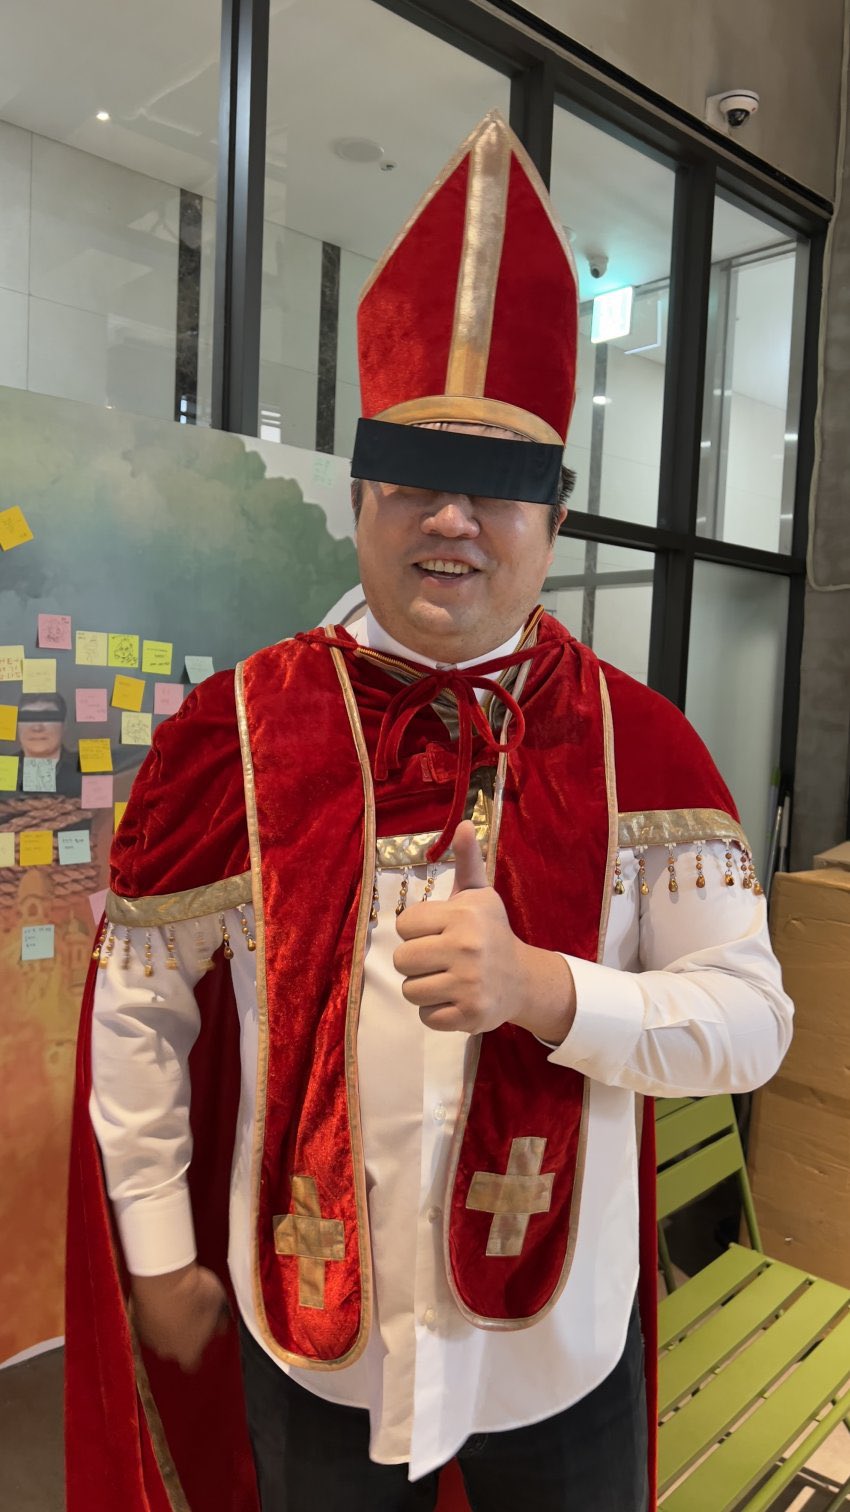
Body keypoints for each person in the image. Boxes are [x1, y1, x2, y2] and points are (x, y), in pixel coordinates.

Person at [66, 111, 793, 1512]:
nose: (452, 520)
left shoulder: (639, 744)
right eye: (412, 476)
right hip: (312, 1336)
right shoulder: (234, 733)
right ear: (360, 496)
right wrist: (157, 1242)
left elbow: (752, 1024)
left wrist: (545, 990)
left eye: (501, 488)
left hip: (556, 1354)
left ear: (554, 523)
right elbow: (140, 1006)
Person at [16, 692, 82, 797]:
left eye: (48, 717)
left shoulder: (90, 771)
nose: (37, 728)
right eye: (27, 717)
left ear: (64, 725)